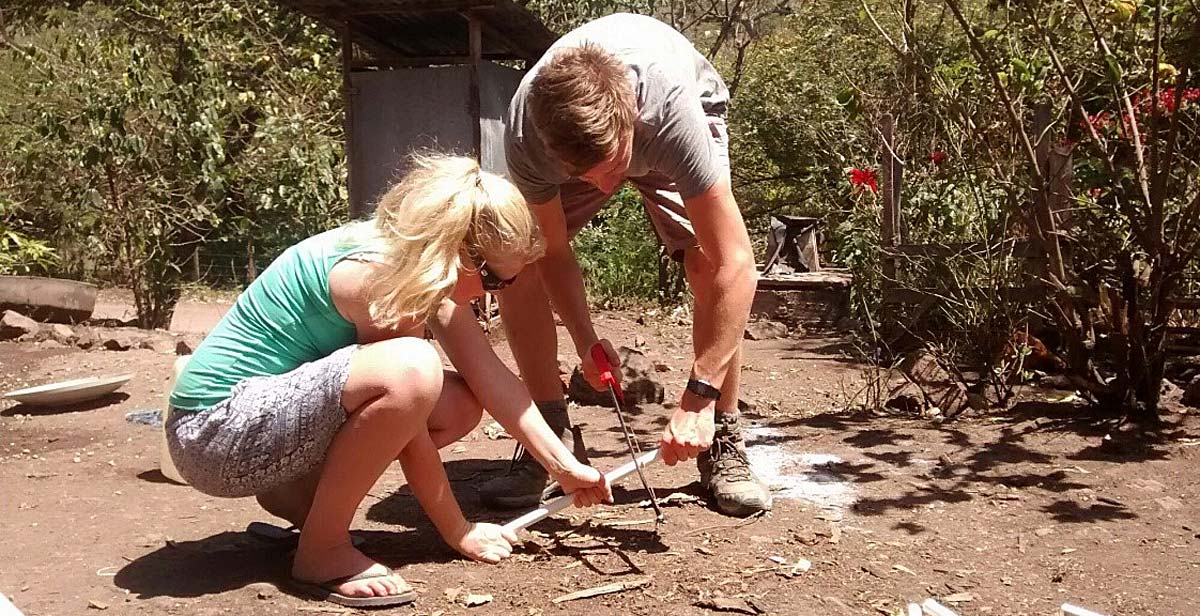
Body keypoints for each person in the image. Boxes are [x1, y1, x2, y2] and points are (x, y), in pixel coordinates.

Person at [166, 155, 612, 608]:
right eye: (497, 279)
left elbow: (490, 375)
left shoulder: (419, 266)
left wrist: (562, 466)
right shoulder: (379, 279)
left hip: (258, 423)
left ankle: (304, 501)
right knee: (415, 370)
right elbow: (407, 418)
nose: (495, 293)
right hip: (214, 433)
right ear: (461, 252)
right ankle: (321, 551)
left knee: (458, 401)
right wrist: (458, 531)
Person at [481, 13, 771, 517]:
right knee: (517, 261)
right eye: (585, 175)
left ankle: (723, 435)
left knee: (707, 262)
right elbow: (552, 252)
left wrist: (697, 399)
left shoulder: (669, 114)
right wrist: (586, 342)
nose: (604, 188)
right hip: (591, 144)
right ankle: (549, 438)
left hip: (675, 115)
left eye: (612, 168)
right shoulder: (529, 133)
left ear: (632, 118)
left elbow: (738, 264)